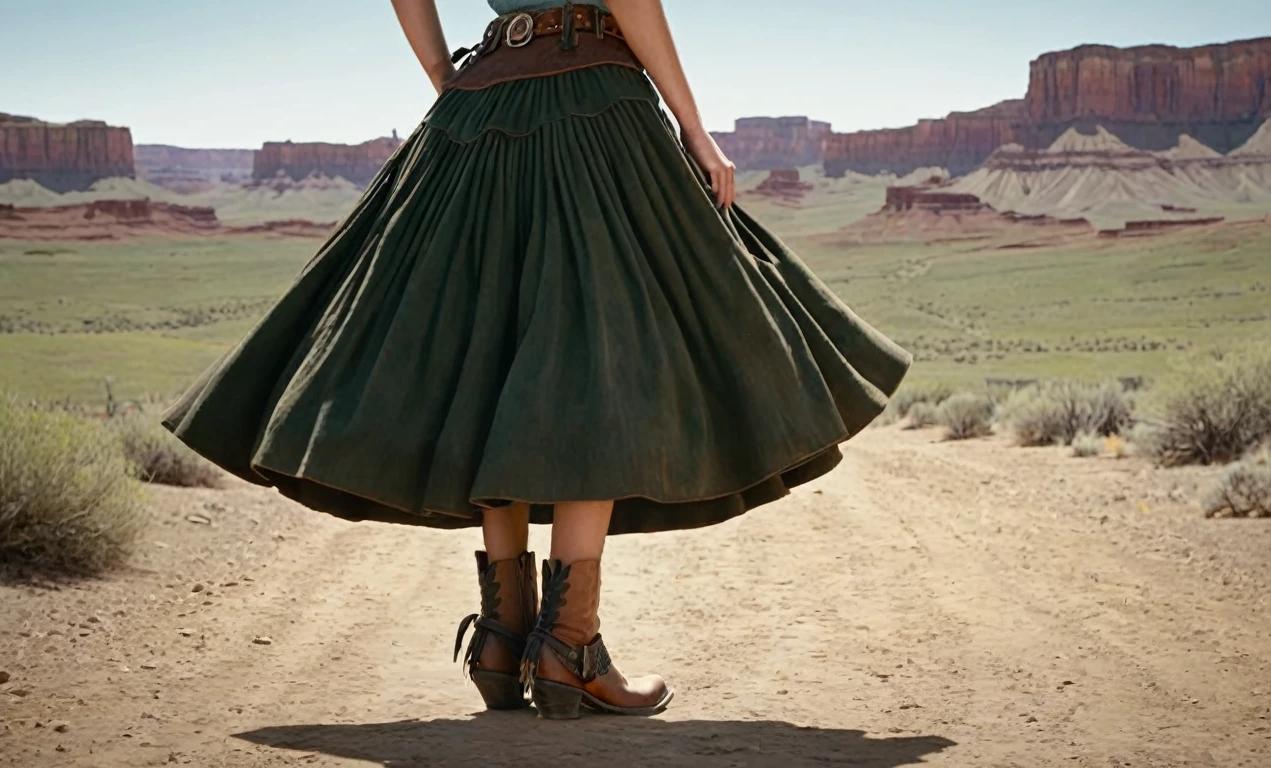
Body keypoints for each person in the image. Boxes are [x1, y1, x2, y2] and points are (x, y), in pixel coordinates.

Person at [162, 0, 911, 720]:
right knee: (591, 349)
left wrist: (444, 75)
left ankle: (505, 638)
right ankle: (569, 649)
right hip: (594, 96)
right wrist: (696, 129)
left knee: (492, 342)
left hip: (478, 104)